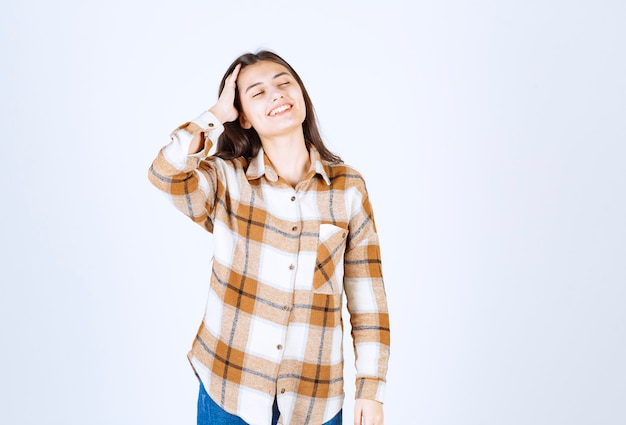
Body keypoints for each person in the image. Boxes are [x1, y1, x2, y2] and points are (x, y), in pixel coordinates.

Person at [148, 50, 390, 425]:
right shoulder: (226, 179)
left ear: (302, 96)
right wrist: (215, 116)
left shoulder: (348, 189)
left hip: (315, 401)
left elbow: (367, 297)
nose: (276, 95)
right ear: (241, 115)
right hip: (230, 389)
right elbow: (165, 172)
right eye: (257, 92)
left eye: (283, 83)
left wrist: (371, 390)